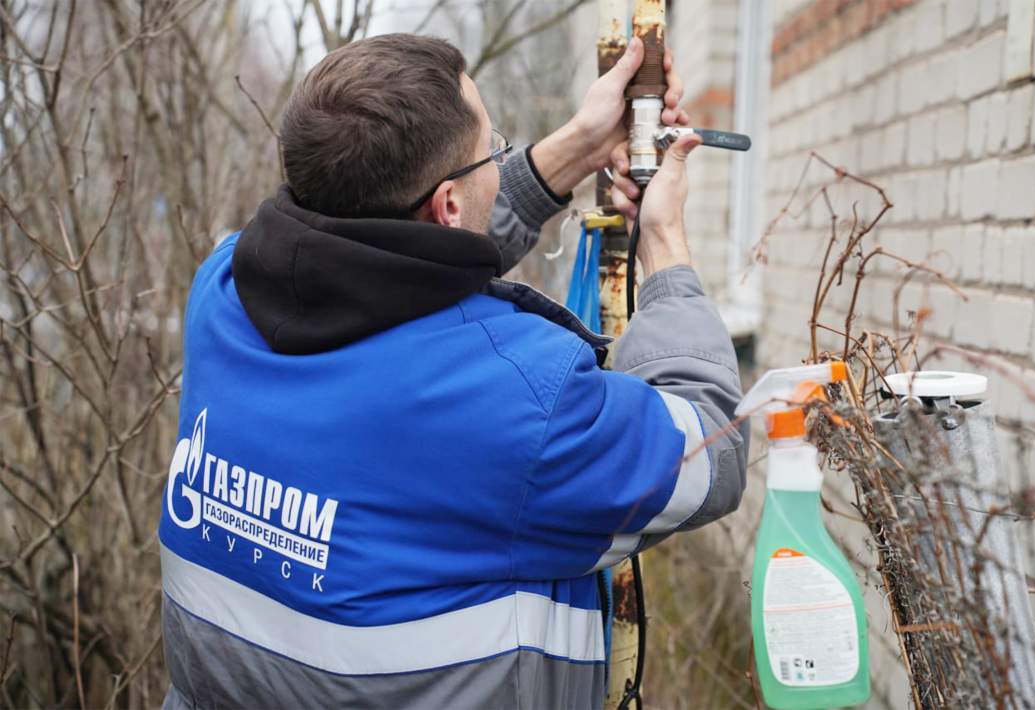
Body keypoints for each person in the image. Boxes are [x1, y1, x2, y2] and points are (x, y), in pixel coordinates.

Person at [158, 31, 749, 709]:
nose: (500, 158)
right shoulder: (525, 402)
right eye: (493, 149)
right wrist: (666, 249)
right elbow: (712, 448)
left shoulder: (223, 291)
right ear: (444, 204)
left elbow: (384, 250)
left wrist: (577, 149)